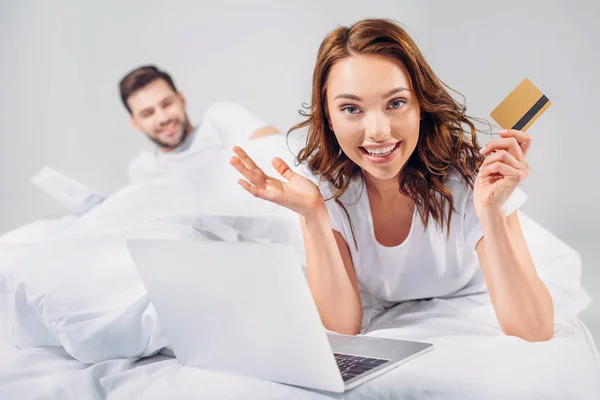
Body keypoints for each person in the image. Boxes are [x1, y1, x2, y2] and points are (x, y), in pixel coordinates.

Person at [230, 18, 554, 342]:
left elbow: (534, 330)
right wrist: (313, 214)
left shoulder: (471, 177)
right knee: (260, 140)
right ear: (329, 118)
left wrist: (491, 213)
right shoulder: (321, 188)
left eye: (396, 103)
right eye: (351, 108)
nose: (378, 131)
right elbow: (343, 327)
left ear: (420, 106)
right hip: (331, 160)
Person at [119, 65, 278, 183]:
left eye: (167, 104)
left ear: (181, 100)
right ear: (135, 123)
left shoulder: (219, 118)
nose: (162, 118)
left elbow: (274, 147)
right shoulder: (143, 170)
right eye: (148, 114)